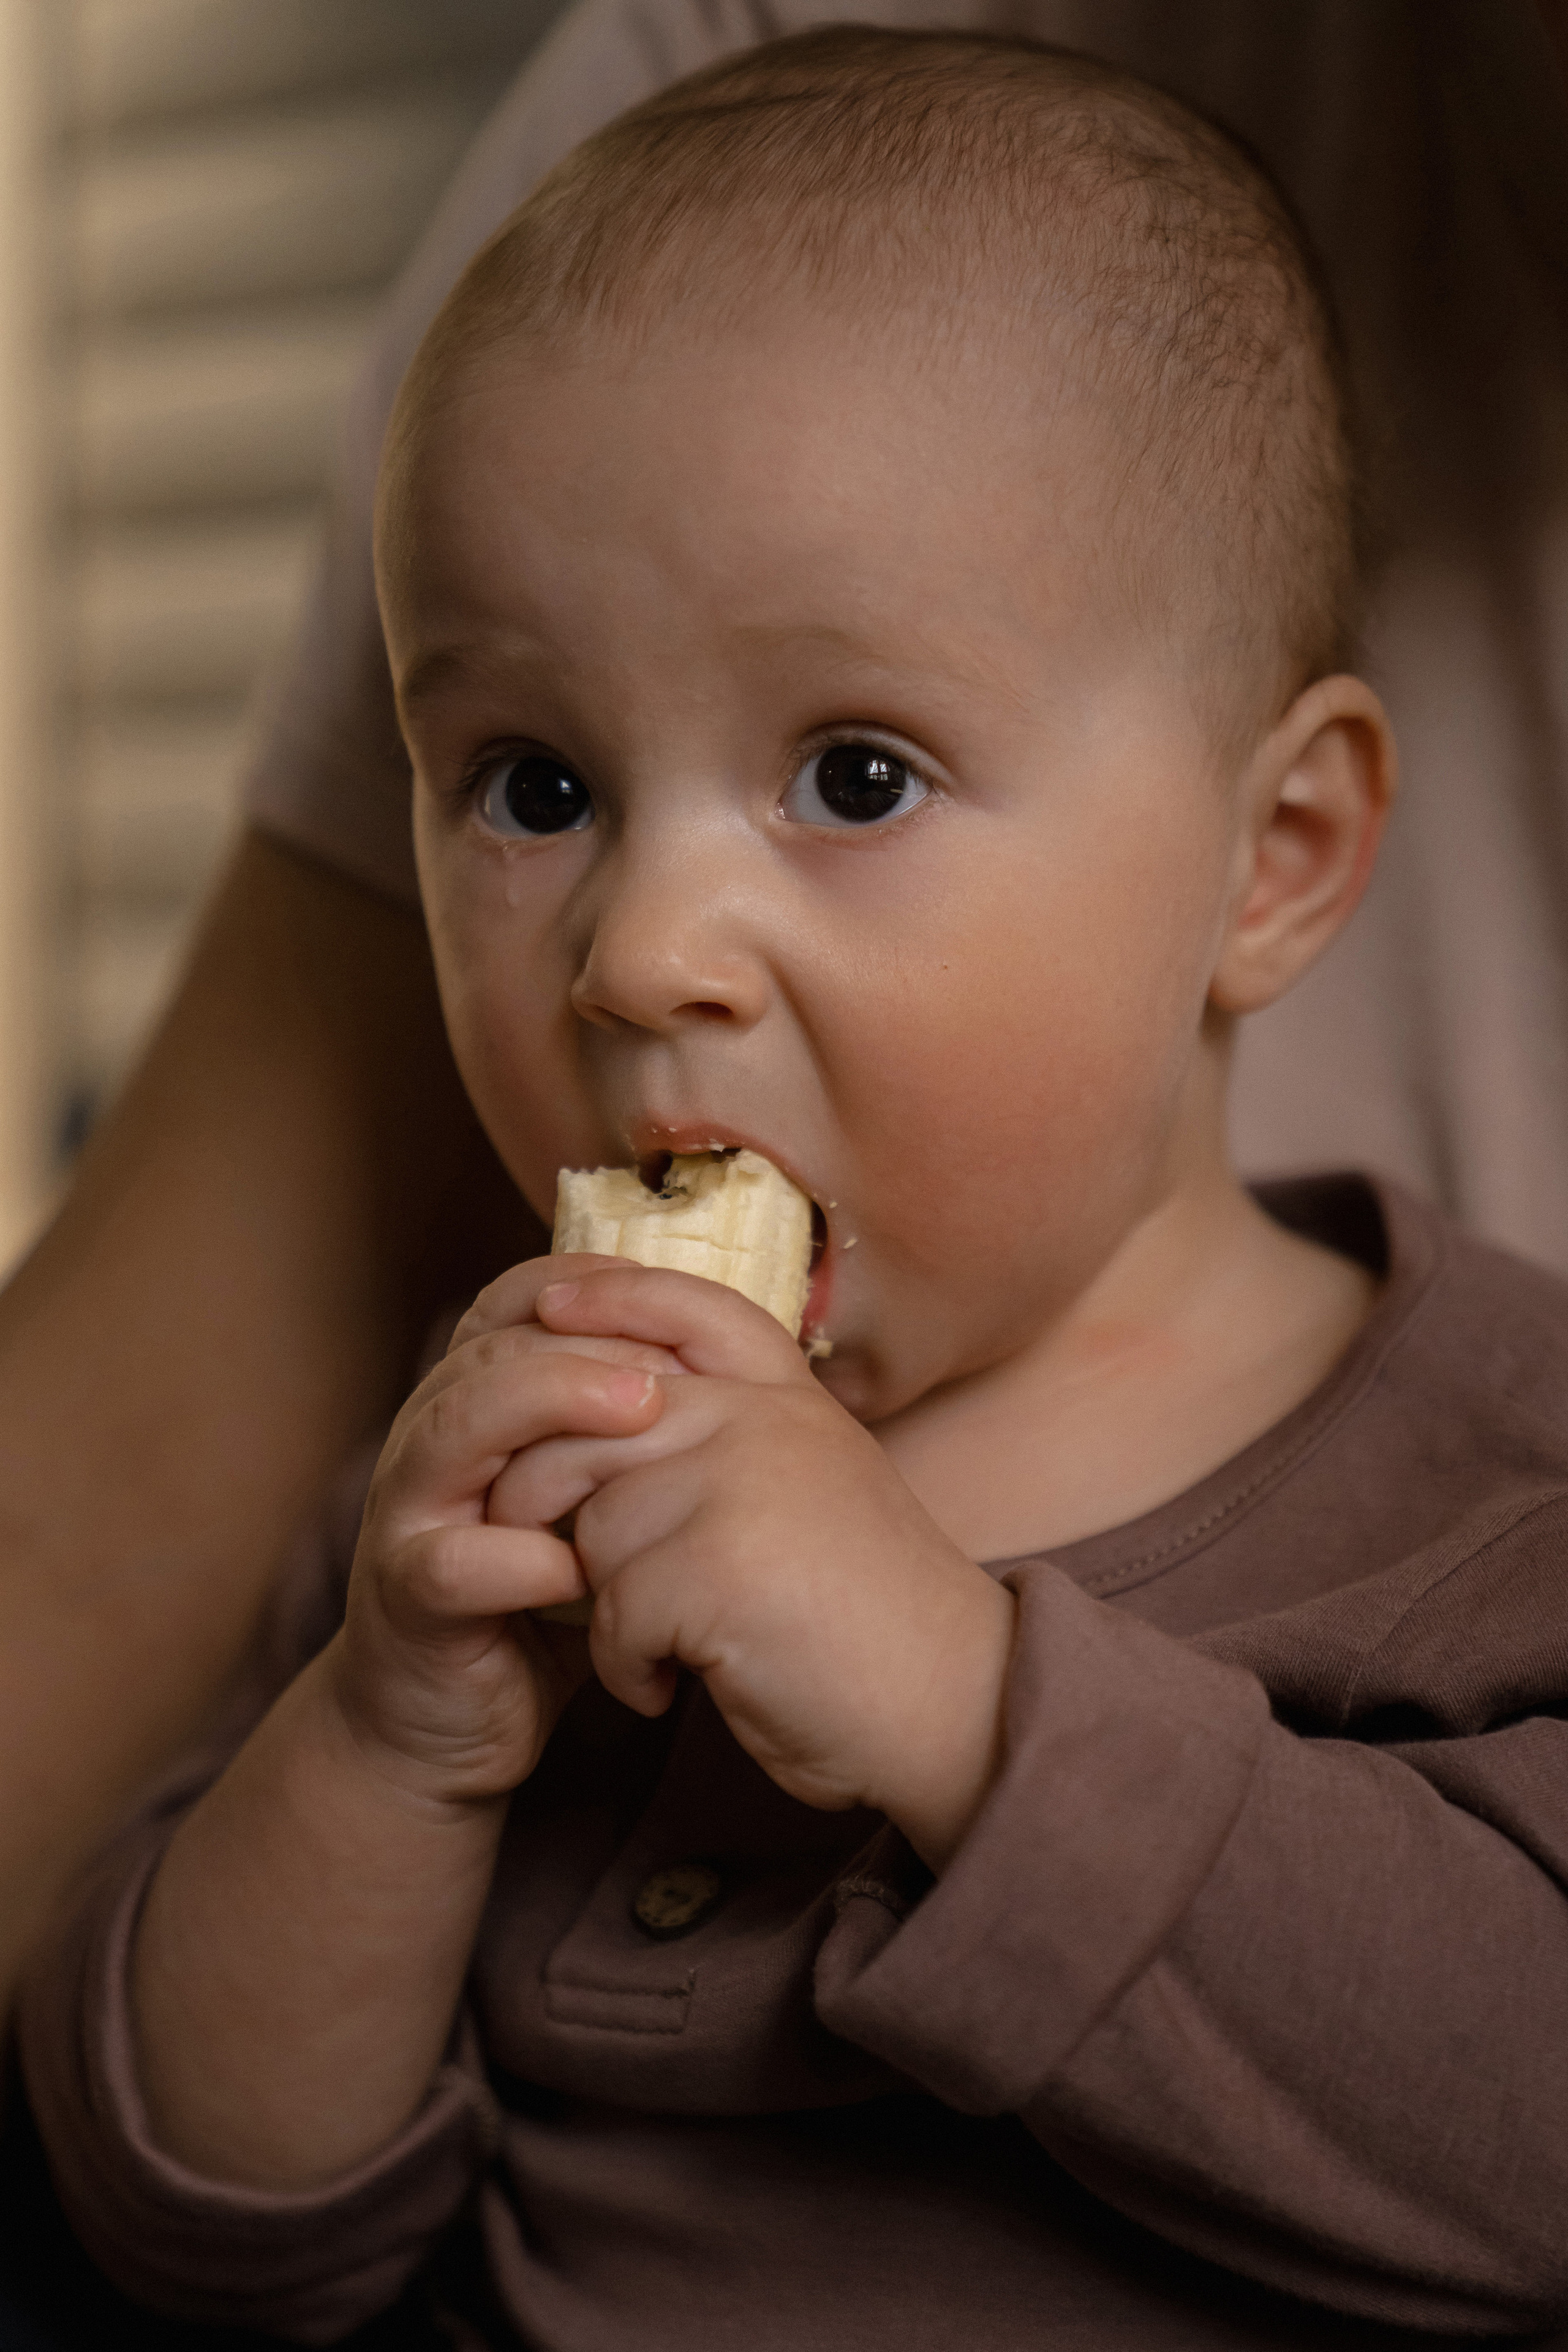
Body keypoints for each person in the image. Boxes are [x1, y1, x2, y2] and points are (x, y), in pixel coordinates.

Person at [21, 29, 1568, 2347]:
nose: (639, 949)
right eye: (530, 784)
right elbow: (200, 2220)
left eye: (855, 773)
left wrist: (965, 1704)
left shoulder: (1500, 1487)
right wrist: (382, 1748)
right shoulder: (474, 1503)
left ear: (1276, 860)